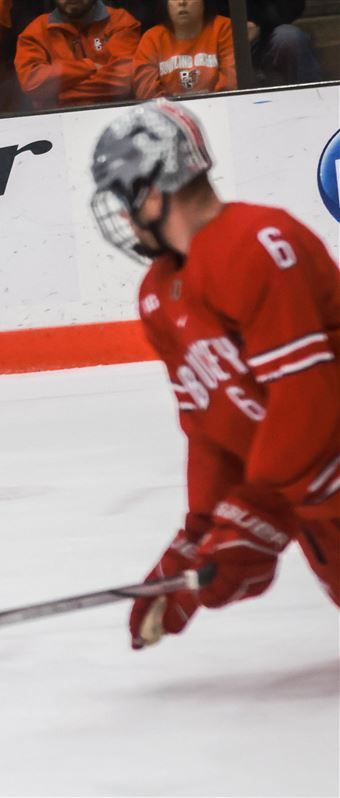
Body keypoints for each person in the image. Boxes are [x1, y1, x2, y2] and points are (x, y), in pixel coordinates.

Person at [88, 99, 340, 649]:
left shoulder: (256, 243)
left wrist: (251, 518)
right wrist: (196, 541)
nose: (125, 216)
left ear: (151, 191)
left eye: (123, 197)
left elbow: (307, 401)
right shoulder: (157, 295)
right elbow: (213, 429)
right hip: (317, 502)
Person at [14, 0, 140, 109]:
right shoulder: (34, 32)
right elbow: (31, 84)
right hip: (55, 123)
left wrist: (59, 95)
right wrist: (89, 66)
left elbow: (122, 81)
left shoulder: (121, 21)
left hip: (116, 116)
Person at [132, 0, 235, 99]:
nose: (182, 2)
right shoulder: (152, 39)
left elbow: (231, 83)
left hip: (220, 110)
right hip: (169, 114)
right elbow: (147, 92)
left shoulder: (223, 28)